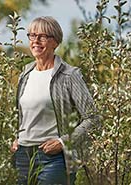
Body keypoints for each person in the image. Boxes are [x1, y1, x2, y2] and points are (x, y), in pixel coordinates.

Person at [10, 16, 98, 185]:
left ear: (55, 42)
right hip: (23, 157)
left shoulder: (69, 75)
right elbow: (25, 114)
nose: (36, 41)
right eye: (32, 35)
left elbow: (93, 118)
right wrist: (17, 137)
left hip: (54, 159)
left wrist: (62, 142)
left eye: (42, 36)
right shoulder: (25, 74)